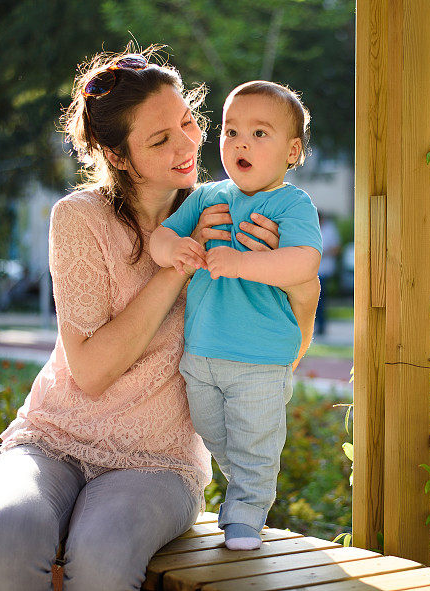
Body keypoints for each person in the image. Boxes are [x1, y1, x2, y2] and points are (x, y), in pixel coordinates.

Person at [0, 50, 318, 591]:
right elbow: (89, 372)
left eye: (188, 122)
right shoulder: (79, 218)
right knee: (8, 536)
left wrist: (294, 281)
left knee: (103, 555)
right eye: (159, 140)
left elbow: (288, 350)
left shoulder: (240, 210)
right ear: (119, 155)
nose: (187, 146)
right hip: (53, 437)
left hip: (159, 462)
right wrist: (182, 261)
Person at [149, 81, 322, 550]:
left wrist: (243, 264)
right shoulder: (207, 197)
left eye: (259, 133)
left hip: (260, 357)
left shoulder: (291, 204)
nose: (240, 142)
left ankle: (246, 515)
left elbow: (305, 262)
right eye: (231, 131)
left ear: (293, 151)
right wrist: (173, 249)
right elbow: (159, 237)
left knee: (255, 443)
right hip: (201, 352)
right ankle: (245, 484)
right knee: (216, 435)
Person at [315, 212, 340, 335]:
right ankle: (316, 326)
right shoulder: (312, 227)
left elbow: (336, 249)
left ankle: (321, 327)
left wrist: (322, 253)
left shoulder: (330, 229)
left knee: (320, 301)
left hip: (323, 270)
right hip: (312, 271)